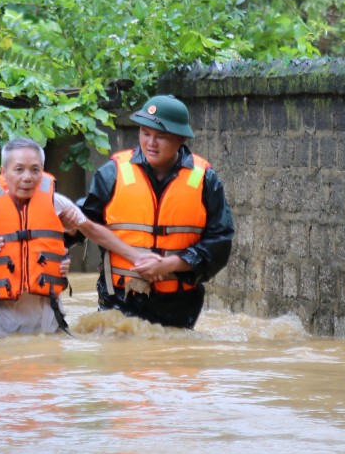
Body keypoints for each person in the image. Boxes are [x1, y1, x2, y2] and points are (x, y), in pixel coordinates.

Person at [0, 136, 148, 341]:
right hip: (6, 318)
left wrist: (137, 257)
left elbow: (93, 231)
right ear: (4, 173)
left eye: (35, 169)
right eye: (19, 169)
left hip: (50, 317)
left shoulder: (55, 202)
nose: (28, 177)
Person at [77, 94, 234, 329]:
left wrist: (169, 265)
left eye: (161, 136)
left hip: (179, 303)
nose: (151, 143)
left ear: (181, 138)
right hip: (119, 297)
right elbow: (84, 224)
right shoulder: (113, 173)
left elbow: (219, 241)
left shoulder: (204, 179)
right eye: (145, 133)